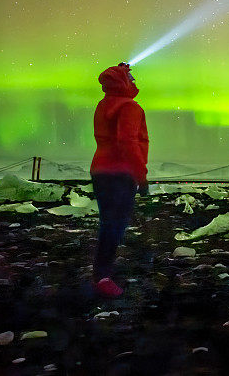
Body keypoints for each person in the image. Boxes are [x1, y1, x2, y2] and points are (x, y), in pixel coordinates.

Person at [89, 63, 149, 298]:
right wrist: (140, 176)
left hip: (100, 170)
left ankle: (103, 271)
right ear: (123, 82)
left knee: (109, 223)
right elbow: (128, 143)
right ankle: (102, 277)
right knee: (115, 225)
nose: (134, 81)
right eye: (130, 77)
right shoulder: (130, 108)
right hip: (120, 173)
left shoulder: (103, 105)